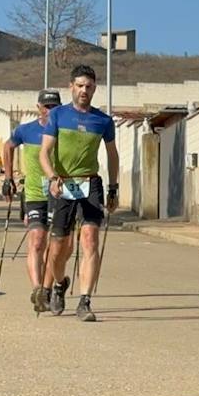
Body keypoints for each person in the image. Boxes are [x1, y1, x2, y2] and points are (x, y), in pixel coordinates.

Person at [38, 65, 120, 321]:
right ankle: (60, 285)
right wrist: (52, 177)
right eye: (80, 85)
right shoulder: (58, 116)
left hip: (90, 184)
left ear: (95, 89)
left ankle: (85, 301)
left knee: (89, 241)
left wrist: (113, 188)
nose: (85, 90)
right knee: (57, 247)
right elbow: (44, 153)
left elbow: (112, 155)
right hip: (63, 184)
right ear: (71, 87)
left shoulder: (103, 121)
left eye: (90, 86)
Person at [5, 89, 61, 309]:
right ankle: (38, 290)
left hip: (59, 193)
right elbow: (8, 147)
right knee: (37, 240)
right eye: (46, 106)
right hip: (34, 193)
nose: (50, 110)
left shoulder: (64, 130)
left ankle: (55, 285)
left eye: (54, 106)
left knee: (57, 246)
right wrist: (8, 178)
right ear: (39, 107)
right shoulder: (26, 130)